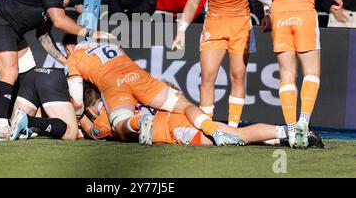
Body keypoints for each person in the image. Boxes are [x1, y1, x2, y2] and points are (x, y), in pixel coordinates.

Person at [0, 0, 112, 136]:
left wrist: (65, 60)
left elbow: (43, 36)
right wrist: (93, 33)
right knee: (10, 73)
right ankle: (1, 124)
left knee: (29, 77)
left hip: (12, 31)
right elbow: (60, 21)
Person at [245, 0, 343, 148]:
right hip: (304, 11)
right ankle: (304, 123)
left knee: (287, 74)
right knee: (311, 72)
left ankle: (290, 129)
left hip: (280, 13)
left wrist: (271, 2)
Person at [63, 34, 244, 146]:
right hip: (139, 77)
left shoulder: (74, 58)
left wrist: (77, 120)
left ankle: (139, 122)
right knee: (185, 106)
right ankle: (214, 131)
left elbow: (77, 101)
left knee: (120, 126)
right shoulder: (108, 43)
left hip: (115, 86)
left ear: (70, 47)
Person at [172, 0, 267, 127]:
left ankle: (233, 127)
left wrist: (267, 11)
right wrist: (181, 29)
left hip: (241, 24)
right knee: (207, 75)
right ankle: (207, 127)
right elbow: (193, 1)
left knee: (238, 74)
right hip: (214, 24)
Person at [80, 83, 324, 148]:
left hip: (174, 131)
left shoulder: (104, 120)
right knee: (235, 134)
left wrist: (78, 116)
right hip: (181, 117)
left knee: (234, 139)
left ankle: (287, 133)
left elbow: (93, 133)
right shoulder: (126, 97)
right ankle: (286, 133)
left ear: (92, 109)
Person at [0, 57, 78, 141]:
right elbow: (80, 108)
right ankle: (27, 120)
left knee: (14, 126)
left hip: (33, 74)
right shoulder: (81, 66)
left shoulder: (82, 57)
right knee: (71, 133)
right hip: (53, 79)